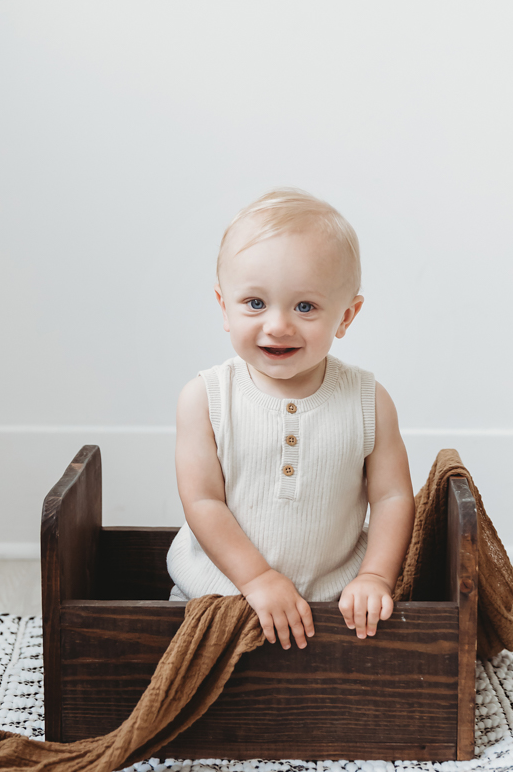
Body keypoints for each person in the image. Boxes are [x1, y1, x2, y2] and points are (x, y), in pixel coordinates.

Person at [166, 189, 415, 651]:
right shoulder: (205, 398)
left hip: (338, 609)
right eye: (255, 303)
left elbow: (392, 496)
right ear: (224, 306)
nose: (278, 325)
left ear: (347, 315)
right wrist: (258, 579)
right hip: (217, 596)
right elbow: (202, 501)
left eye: (304, 307)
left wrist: (376, 576)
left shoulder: (368, 400)